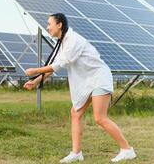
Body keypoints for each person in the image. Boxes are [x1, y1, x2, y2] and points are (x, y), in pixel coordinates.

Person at [23, 13, 136, 163]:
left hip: (99, 78)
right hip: (87, 81)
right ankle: (76, 153)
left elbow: (60, 64)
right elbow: (54, 67)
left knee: (99, 118)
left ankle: (127, 150)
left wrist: (35, 70)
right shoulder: (63, 42)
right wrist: (37, 81)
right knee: (75, 114)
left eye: (49, 24)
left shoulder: (73, 40)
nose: (47, 27)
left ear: (59, 25)